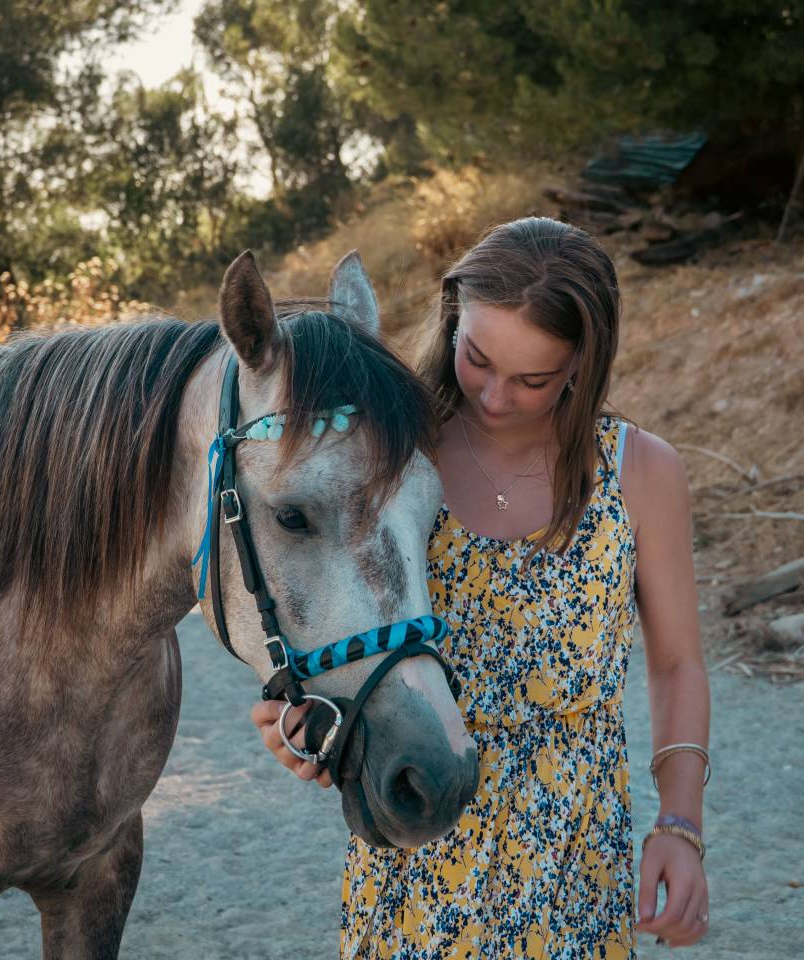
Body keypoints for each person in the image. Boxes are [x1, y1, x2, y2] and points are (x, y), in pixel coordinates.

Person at [252, 217, 711, 958]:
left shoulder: (639, 472)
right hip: (412, 858)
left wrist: (679, 826)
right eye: (477, 359)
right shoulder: (390, 456)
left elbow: (677, 663)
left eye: (532, 379)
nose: (495, 396)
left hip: (573, 870)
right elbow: (333, 620)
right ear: (451, 318)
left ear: (579, 366)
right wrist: (304, 722)